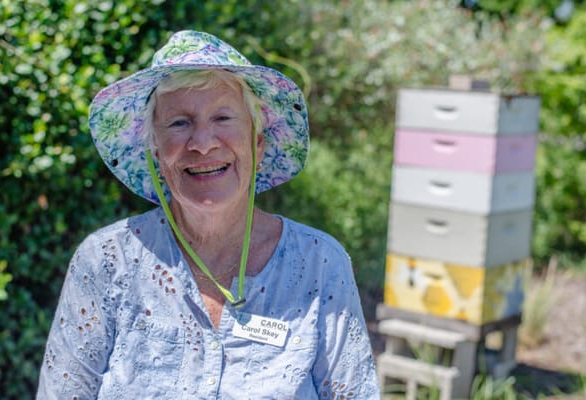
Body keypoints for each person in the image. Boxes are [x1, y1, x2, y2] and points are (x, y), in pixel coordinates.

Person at [37, 30, 380, 399]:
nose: (203, 143)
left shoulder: (319, 264)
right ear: (155, 150)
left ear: (258, 144)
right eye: (179, 123)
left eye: (222, 117)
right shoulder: (105, 260)